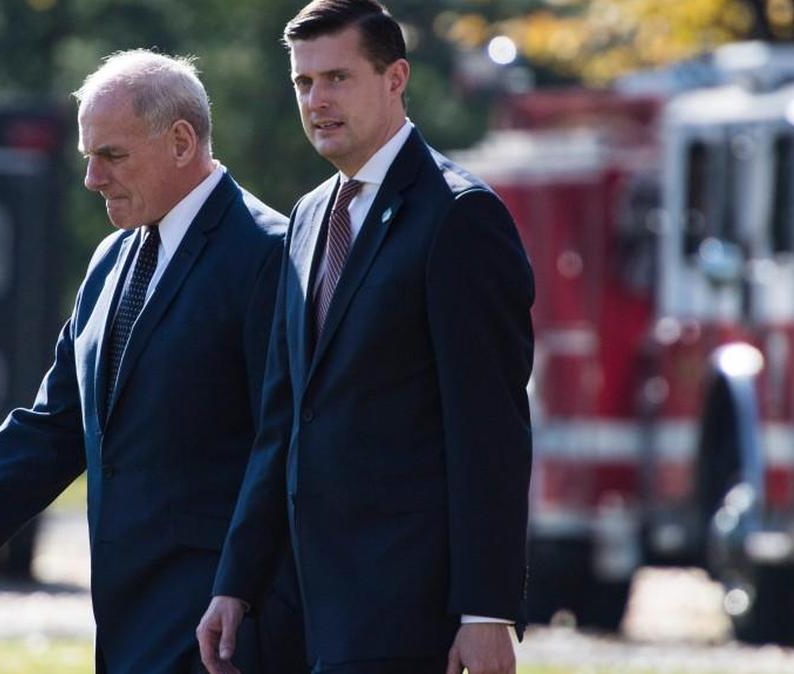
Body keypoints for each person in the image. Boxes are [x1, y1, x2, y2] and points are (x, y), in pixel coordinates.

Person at [0, 50, 305, 673]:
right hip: (127, 623)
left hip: (226, 631)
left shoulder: (268, 255)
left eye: (113, 156)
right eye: (88, 157)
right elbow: (55, 425)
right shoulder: (111, 258)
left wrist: (240, 595)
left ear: (182, 142)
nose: (92, 179)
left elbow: (284, 452)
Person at [196, 2, 534, 673]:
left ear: (395, 78)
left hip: (409, 611)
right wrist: (234, 581)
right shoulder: (307, 217)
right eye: (303, 83)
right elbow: (282, 421)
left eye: (337, 78)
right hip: (296, 608)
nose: (317, 100)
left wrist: (485, 611)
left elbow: (490, 431)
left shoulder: (461, 219)